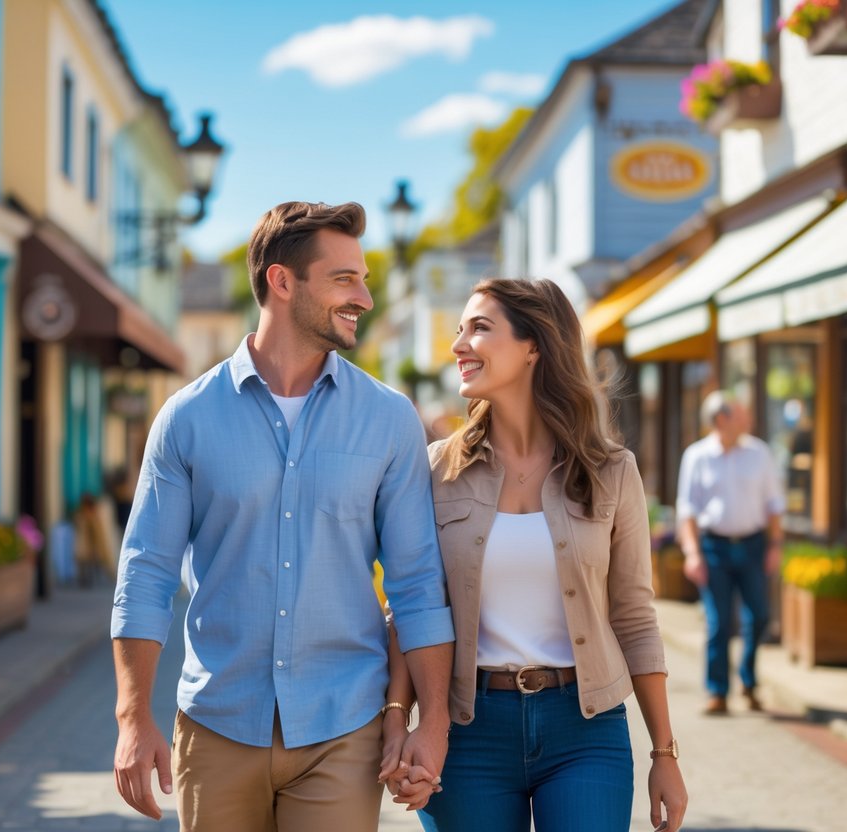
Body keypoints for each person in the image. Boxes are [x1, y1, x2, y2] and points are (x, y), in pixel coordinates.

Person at [111, 200, 455, 831]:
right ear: (282, 280)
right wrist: (133, 719)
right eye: (344, 279)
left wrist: (429, 724)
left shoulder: (389, 419)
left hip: (342, 727)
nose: (364, 299)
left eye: (365, 280)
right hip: (216, 724)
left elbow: (416, 582)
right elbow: (146, 575)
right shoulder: (186, 419)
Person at [382, 278, 687, 832]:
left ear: (534, 346)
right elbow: (411, 607)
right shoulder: (434, 470)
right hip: (468, 730)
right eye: (459, 329)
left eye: (479, 328)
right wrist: (400, 721)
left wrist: (664, 755)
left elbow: (635, 617)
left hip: (586, 731)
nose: (458, 345)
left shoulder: (611, 471)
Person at [677, 390, 786, 715]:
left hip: (752, 545)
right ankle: (718, 692)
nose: (748, 420)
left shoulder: (759, 453)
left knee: (760, 615)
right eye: (741, 414)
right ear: (721, 419)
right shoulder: (696, 456)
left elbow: (775, 504)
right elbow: (687, 510)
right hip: (714, 548)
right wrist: (692, 553)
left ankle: (749, 682)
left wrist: (775, 545)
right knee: (719, 621)